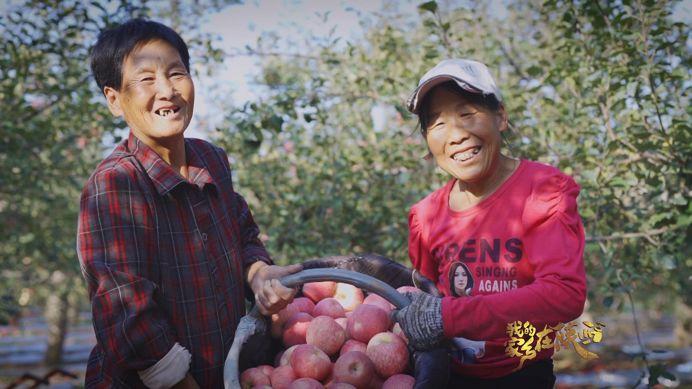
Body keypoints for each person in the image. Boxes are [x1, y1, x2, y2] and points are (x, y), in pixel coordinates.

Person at [77, 19, 301, 388]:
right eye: (146, 79)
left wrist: (258, 274)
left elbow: (241, 235)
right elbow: (128, 314)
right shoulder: (116, 183)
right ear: (115, 99)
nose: (167, 90)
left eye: (176, 73)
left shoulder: (210, 160)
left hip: (222, 372)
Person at [393, 59, 587, 388]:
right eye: (436, 123)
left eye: (467, 113)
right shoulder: (425, 215)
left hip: (522, 375)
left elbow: (563, 294)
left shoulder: (542, 190)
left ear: (501, 115)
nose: (455, 135)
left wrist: (448, 317)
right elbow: (427, 296)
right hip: (448, 376)